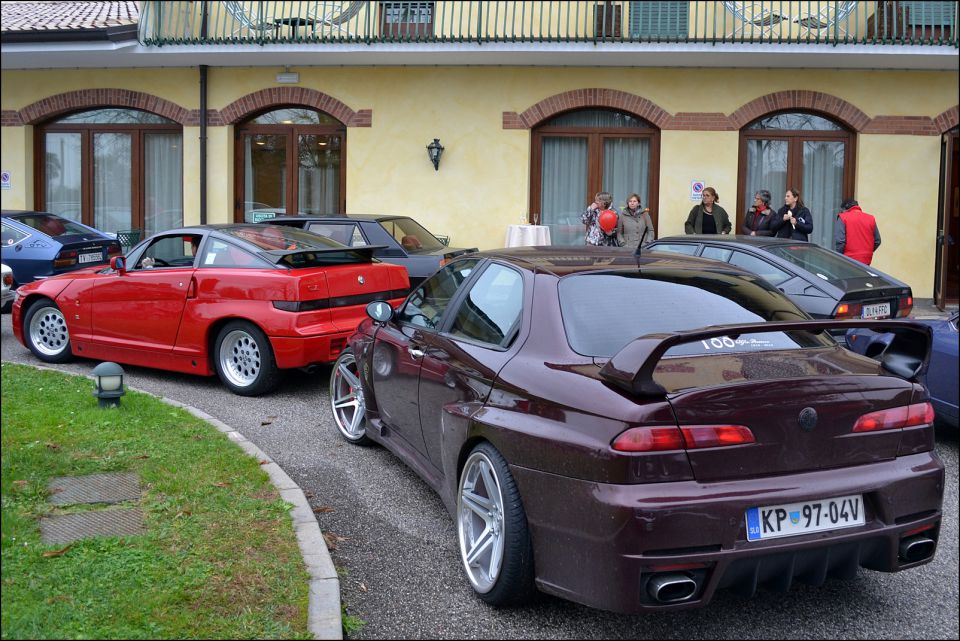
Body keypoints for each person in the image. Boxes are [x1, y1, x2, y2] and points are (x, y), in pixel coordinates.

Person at [835, 198, 881, 265]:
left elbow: (840, 241)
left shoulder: (843, 217)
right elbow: (877, 241)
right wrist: (867, 252)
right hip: (866, 259)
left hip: (848, 260)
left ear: (845, 209)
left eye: (842, 211)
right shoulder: (870, 218)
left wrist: (839, 257)